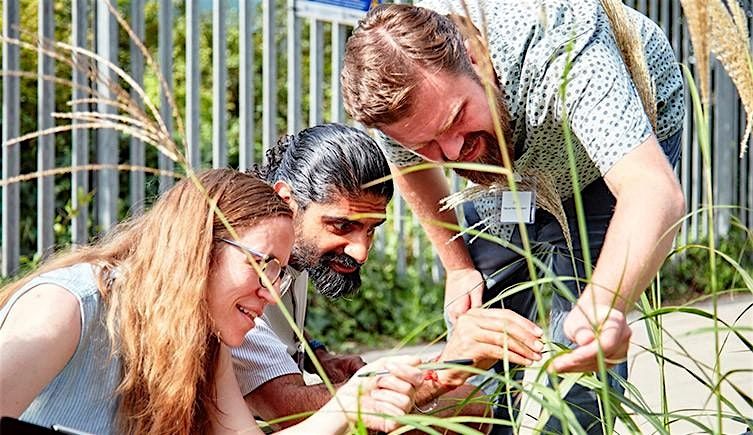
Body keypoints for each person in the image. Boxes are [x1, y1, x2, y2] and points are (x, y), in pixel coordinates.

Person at [341, 1, 685, 434]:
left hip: (603, 162)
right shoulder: (405, 96)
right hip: (506, 171)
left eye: (455, 119)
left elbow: (651, 190)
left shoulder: (561, 42)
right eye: (427, 142)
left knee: (580, 342)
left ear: (475, 57)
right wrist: (458, 266)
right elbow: (411, 167)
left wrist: (602, 305)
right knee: (481, 318)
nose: (450, 152)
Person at [0, 169, 424, 435]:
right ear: (198, 248)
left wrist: (350, 406)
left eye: (278, 271)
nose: (271, 291)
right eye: (261, 264)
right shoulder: (66, 307)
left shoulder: (206, 336)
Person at [232, 123, 544, 431]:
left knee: (470, 403)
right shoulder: (240, 270)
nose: (361, 253)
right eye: (342, 226)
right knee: (467, 404)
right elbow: (284, 409)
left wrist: (318, 355)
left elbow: (275, 331)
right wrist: (447, 368)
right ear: (287, 200)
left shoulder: (287, 251)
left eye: (371, 229)